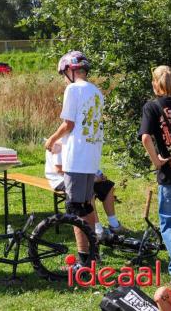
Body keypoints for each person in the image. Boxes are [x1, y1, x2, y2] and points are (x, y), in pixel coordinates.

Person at [45, 51, 104, 265]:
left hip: (76, 160)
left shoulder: (72, 89)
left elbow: (68, 124)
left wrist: (51, 140)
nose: (64, 78)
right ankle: (94, 254)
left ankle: (83, 258)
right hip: (91, 157)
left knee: (75, 210)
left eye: (63, 73)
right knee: (87, 206)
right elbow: (83, 127)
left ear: (70, 70)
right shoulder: (96, 92)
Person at [139, 65, 171, 285]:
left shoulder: (152, 107)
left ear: (155, 83)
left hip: (170, 175)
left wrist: (157, 161)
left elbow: (146, 137)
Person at [45, 143, 128, 240]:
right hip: (60, 179)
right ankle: (97, 230)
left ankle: (114, 225)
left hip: (81, 176)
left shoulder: (80, 140)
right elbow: (59, 170)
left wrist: (99, 174)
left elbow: (86, 162)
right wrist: (92, 179)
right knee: (88, 190)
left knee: (108, 186)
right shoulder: (58, 143)